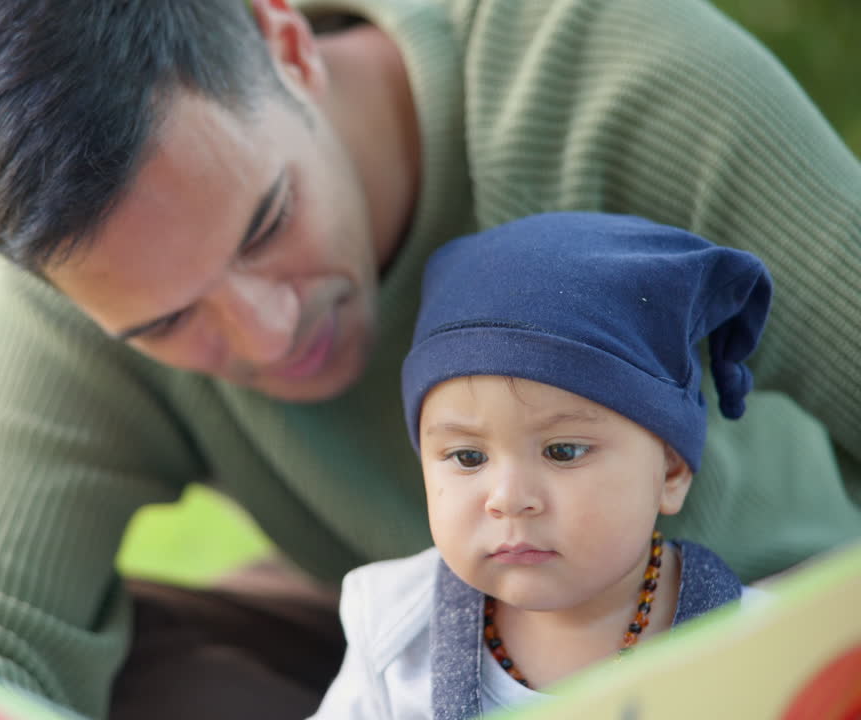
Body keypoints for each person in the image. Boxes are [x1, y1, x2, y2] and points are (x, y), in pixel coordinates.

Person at [0, 0, 861, 717]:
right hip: (426, 663)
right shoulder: (86, 286)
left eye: (265, 224)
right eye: (168, 323)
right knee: (123, 670)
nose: (267, 336)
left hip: (752, 635)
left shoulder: (617, 77)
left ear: (287, 42)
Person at [309, 211, 772, 719]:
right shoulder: (399, 632)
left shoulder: (756, 646)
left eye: (563, 451)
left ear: (670, 472)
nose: (508, 498)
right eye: (468, 457)